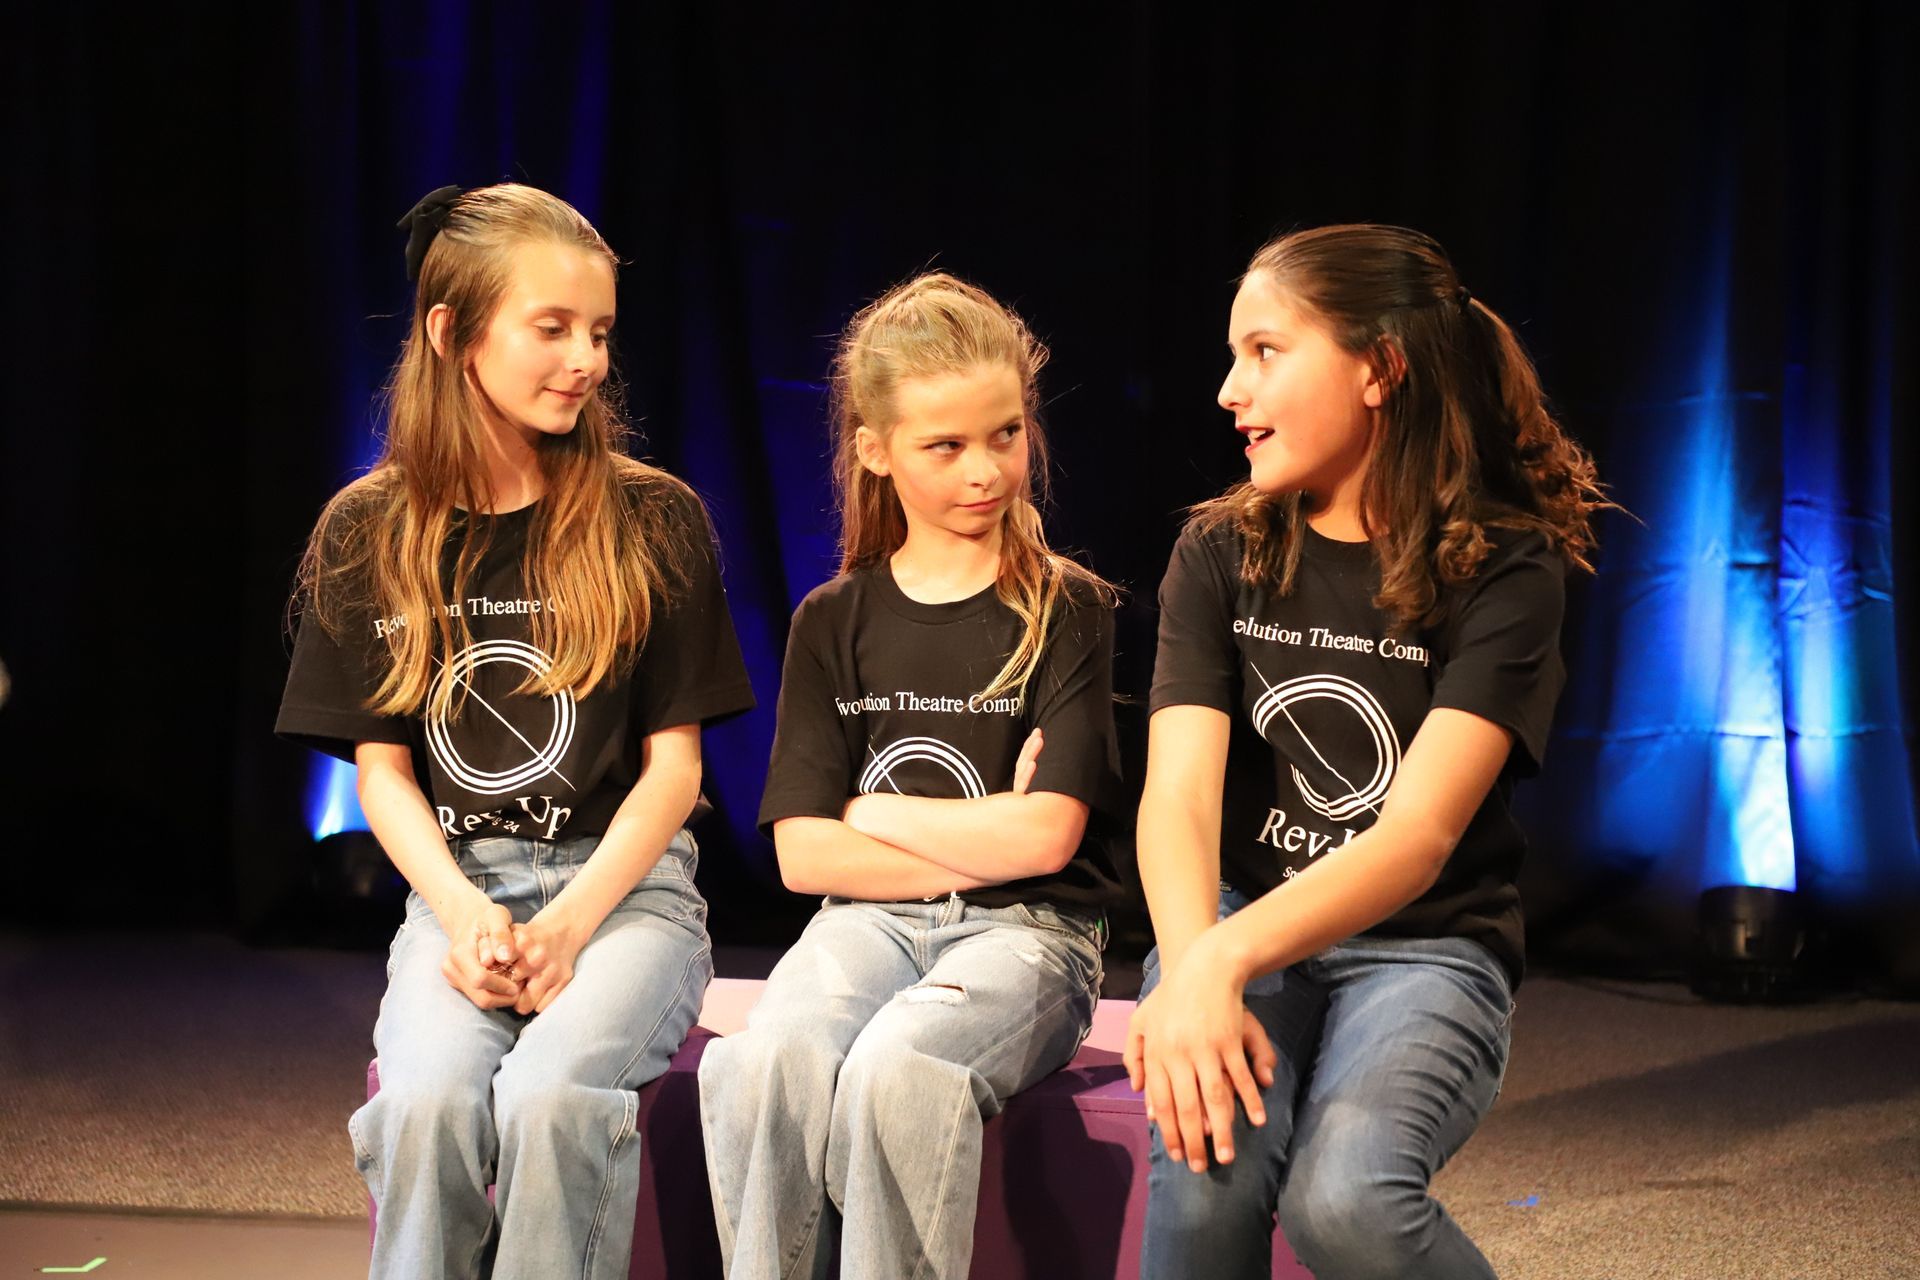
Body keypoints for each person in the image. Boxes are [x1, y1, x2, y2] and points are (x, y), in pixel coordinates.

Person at [276, 182, 755, 1279]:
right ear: (453, 333)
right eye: (551, 328)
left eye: (597, 333)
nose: (583, 359)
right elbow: (384, 771)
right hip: (463, 896)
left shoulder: (653, 516)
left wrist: (571, 926)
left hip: (626, 898)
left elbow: (675, 772)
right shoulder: (370, 528)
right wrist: (462, 914)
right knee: (427, 1107)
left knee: (549, 1099)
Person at [1126, 224, 1609, 1279]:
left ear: (1379, 369)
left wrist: (1218, 960)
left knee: (1345, 1201)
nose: (1227, 389)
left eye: (1264, 351)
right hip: (1234, 922)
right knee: (1210, 1174)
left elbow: (1416, 839)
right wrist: (1194, 958)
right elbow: (1177, 798)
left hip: (1426, 945)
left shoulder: (1505, 571)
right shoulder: (1221, 548)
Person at [698, 272, 1123, 1280]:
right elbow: (804, 855)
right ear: (876, 450)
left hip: (1033, 935)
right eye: (946, 445)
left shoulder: (1067, 609)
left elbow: (1047, 840)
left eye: (1006, 434)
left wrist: (872, 806)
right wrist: (983, 826)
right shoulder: (833, 621)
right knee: (762, 1063)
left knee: (901, 1065)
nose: (986, 469)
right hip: (863, 922)